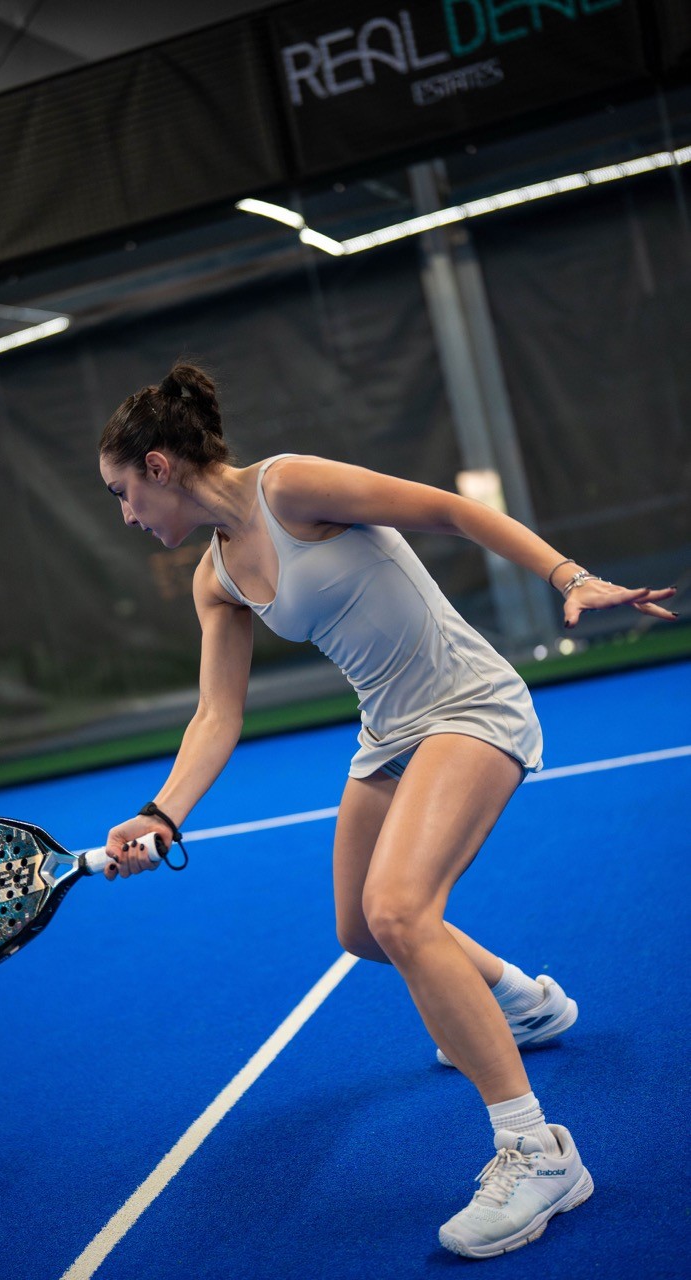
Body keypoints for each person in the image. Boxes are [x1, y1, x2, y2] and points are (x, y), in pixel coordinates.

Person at [96, 361, 677, 1259]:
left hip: (467, 705)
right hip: (387, 734)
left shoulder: (290, 487)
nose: (127, 516)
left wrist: (569, 576)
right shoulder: (216, 578)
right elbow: (217, 715)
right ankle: (523, 1003)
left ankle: (538, 1153)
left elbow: (448, 510)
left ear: (159, 467)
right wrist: (161, 813)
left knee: (400, 910)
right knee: (361, 930)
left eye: (122, 493)